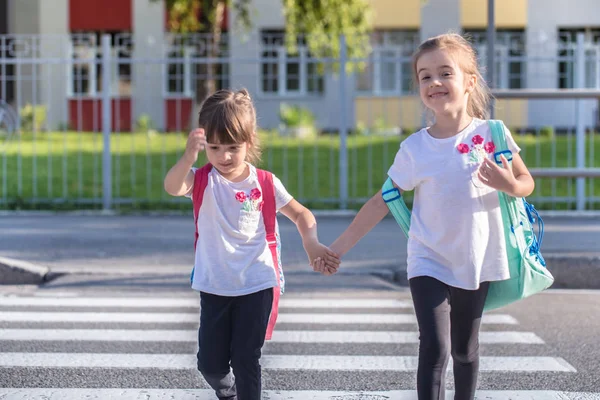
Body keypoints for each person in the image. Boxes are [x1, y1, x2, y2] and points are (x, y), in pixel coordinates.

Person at [313, 33, 535, 400]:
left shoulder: (492, 134)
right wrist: (335, 249)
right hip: (427, 257)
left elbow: (526, 182)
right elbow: (380, 201)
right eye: (425, 76)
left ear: (469, 82)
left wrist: (508, 183)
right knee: (435, 348)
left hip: (476, 258)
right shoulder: (415, 147)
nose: (434, 82)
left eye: (445, 73)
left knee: (465, 349)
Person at [164, 88, 340, 400]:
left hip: (257, 283)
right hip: (215, 286)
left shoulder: (265, 183)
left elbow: (301, 214)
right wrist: (189, 157)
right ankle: (227, 391)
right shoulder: (203, 179)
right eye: (215, 147)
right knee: (210, 365)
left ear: (250, 140)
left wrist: (311, 243)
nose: (224, 156)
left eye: (233, 147)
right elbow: (173, 186)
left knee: (246, 359)